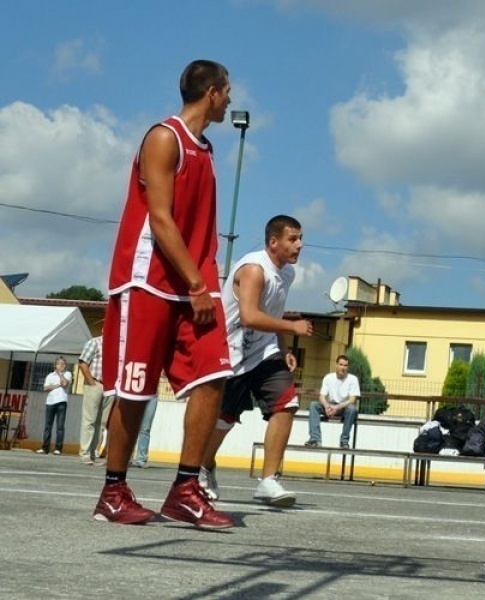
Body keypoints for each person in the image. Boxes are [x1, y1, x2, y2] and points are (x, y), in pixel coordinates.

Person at [94, 60, 235, 529]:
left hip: (194, 285)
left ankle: (185, 490)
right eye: (227, 91)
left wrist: (202, 283)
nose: (231, 99)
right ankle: (113, 490)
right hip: (149, 281)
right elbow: (160, 218)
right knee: (135, 390)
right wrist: (196, 283)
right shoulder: (163, 137)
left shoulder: (207, 149)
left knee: (215, 375)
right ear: (212, 92)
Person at [198, 215, 313, 507]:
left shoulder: (286, 273)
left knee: (286, 403)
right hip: (233, 352)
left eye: (300, 239)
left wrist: (284, 346)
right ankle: (203, 466)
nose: (299, 245)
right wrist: (293, 327)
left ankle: (268, 480)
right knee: (225, 420)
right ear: (273, 241)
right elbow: (249, 315)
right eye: (292, 239)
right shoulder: (253, 269)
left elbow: (273, 311)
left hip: (264, 351)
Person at [305, 355, 360, 449]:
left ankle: (344, 441)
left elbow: (352, 400)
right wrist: (326, 406)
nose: (343, 367)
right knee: (313, 405)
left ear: (348, 367)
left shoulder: (353, 379)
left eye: (345, 365)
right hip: (330, 406)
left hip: (344, 407)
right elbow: (322, 396)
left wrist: (337, 407)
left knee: (352, 409)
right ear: (336, 365)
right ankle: (315, 439)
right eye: (341, 364)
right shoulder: (328, 377)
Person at [78, 335, 112, 465]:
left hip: (110, 386)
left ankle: (93, 453)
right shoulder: (95, 342)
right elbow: (83, 362)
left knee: (102, 423)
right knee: (90, 420)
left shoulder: (118, 345)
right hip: (95, 383)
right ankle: (85, 453)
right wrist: (91, 383)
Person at [38, 357, 71, 455]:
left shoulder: (67, 374)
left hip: (61, 401)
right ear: (55, 365)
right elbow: (45, 388)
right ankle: (45, 448)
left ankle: (58, 448)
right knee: (48, 426)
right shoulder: (50, 375)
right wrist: (57, 385)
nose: (62, 366)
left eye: (64, 364)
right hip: (50, 402)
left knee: (60, 426)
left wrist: (60, 374)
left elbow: (64, 383)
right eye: (60, 364)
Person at [130, 396, 157, 469]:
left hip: (151, 396)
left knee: (145, 429)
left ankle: (141, 459)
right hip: (135, 395)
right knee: (131, 428)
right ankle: (127, 458)